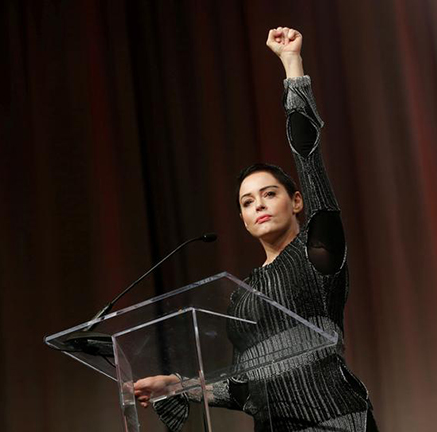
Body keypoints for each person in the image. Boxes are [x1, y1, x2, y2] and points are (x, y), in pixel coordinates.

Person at [134, 26, 378, 432]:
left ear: (297, 201)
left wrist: (291, 66)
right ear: (243, 221)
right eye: (247, 202)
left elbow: (309, 158)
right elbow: (243, 389)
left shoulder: (318, 254)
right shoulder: (242, 298)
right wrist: (179, 386)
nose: (259, 205)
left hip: (334, 421)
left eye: (269, 194)